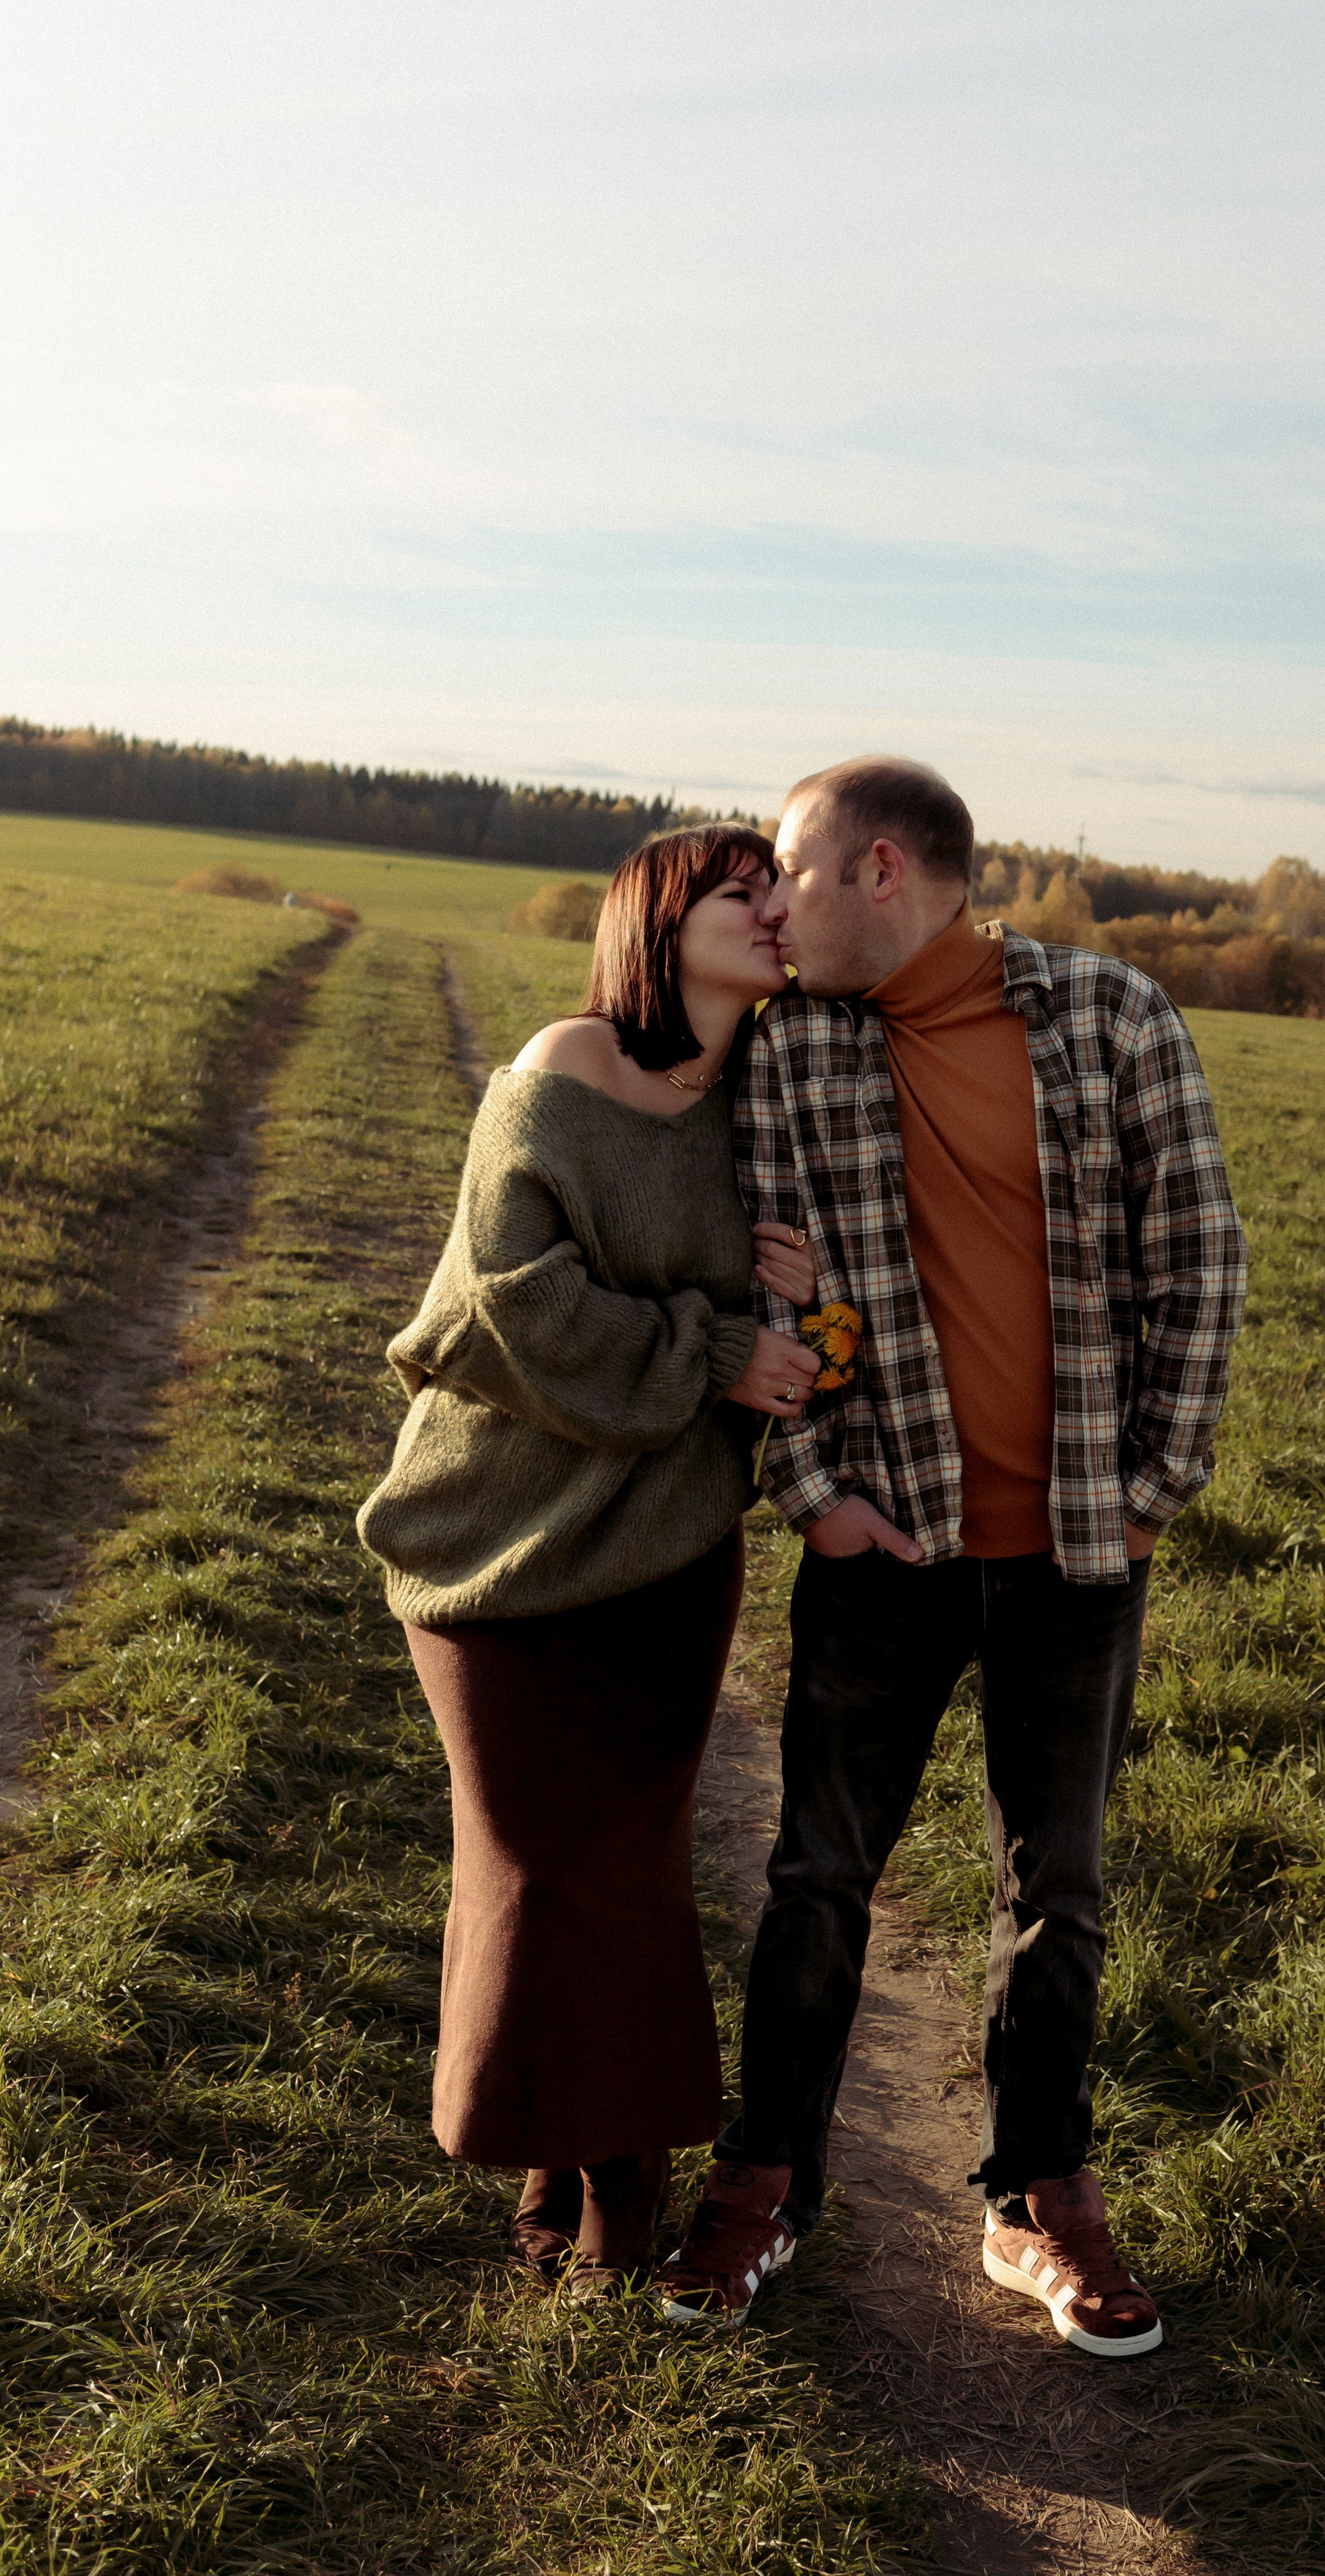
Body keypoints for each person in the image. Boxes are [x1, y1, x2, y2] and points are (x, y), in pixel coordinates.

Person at [656, 759, 1247, 2357]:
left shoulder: (1111, 1020)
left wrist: (1144, 1499)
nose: (771, 905)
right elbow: (766, 1298)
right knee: (816, 1874)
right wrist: (811, 1495)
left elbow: (1197, 1267)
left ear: (883, 870)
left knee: (1056, 1884)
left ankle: (1037, 2199)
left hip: (1074, 1552)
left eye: (788, 871)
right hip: (880, 1542)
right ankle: (767, 2179)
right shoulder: (788, 1056)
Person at [357, 824, 821, 2296]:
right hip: (491, 1532)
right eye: (737, 890)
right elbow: (509, 1308)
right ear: (659, 919)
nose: (769, 911)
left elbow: (799, 1319)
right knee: (535, 1856)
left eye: (778, 890)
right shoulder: (563, 1070)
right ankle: (592, 2176)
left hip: (669, 1552)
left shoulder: (769, 1105)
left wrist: (785, 1298)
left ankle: (594, 2188)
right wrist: (717, 1341)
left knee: (618, 1867)